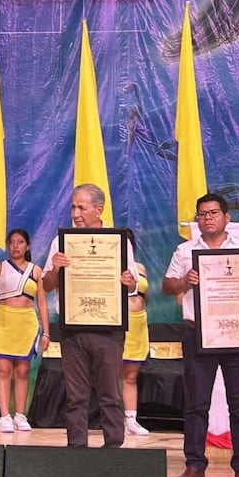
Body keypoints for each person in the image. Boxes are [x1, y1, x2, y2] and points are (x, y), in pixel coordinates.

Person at [162, 192, 239, 477]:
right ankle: (194, 465)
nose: (207, 218)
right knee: (196, 404)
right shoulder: (184, 251)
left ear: (226, 217)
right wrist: (184, 282)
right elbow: (167, 285)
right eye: (202, 213)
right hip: (198, 333)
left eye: (213, 213)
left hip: (238, 334)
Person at [41, 183, 137, 448]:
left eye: (81, 207)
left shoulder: (119, 241)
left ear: (99, 209)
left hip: (108, 328)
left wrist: (128, 280)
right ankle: (77, 451)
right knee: (76, 395)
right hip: (72, 327)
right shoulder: (61, 242)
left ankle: (114, 448)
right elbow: (47, 285)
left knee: (109, 393)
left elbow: (133, 283)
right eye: (73, 207)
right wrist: (56, 270)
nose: (75, 213)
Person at [0, 228, 49, 434]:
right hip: (3, 321)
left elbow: (43, 304)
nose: (15, 246)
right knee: (3, 370)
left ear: (27, 246)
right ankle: (5, 417)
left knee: (22, 371)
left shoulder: (36, 271)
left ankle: (20, 415)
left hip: (26, 324)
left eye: (20, 242)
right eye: (11, 242)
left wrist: (46, 332)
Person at [121, 258, 151, 436]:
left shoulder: (139, 267)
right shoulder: (107, 264)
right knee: (109, 376)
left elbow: (145, 296)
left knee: (131, 376)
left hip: (137, 324)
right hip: (115, 323)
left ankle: (131, 420)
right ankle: (113, 419)